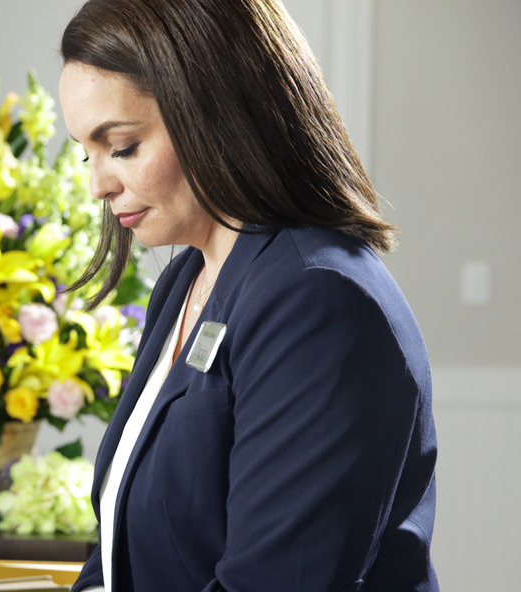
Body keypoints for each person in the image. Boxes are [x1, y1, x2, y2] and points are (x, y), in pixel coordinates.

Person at [57, 1, 437, 590]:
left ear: (214, 113)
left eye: (123, 147)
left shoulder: (318, 301)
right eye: (88, 152)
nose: (97, 185)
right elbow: (117, 557)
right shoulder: (185, 281)